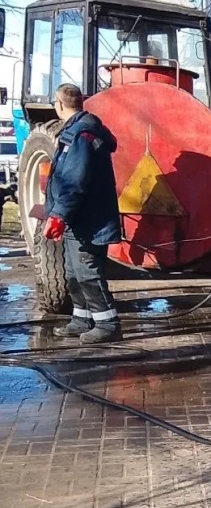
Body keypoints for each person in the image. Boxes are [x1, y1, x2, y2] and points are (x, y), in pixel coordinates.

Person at [43, 83, 122, 344]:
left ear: (59, 104)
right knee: (73, 273)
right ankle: (81, 318)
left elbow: (74, 181)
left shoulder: (81, 135)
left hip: (89, 220)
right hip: (77, 219)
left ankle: (108, 323)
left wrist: (59, 214)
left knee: (87, 272)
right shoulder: (77, 131)